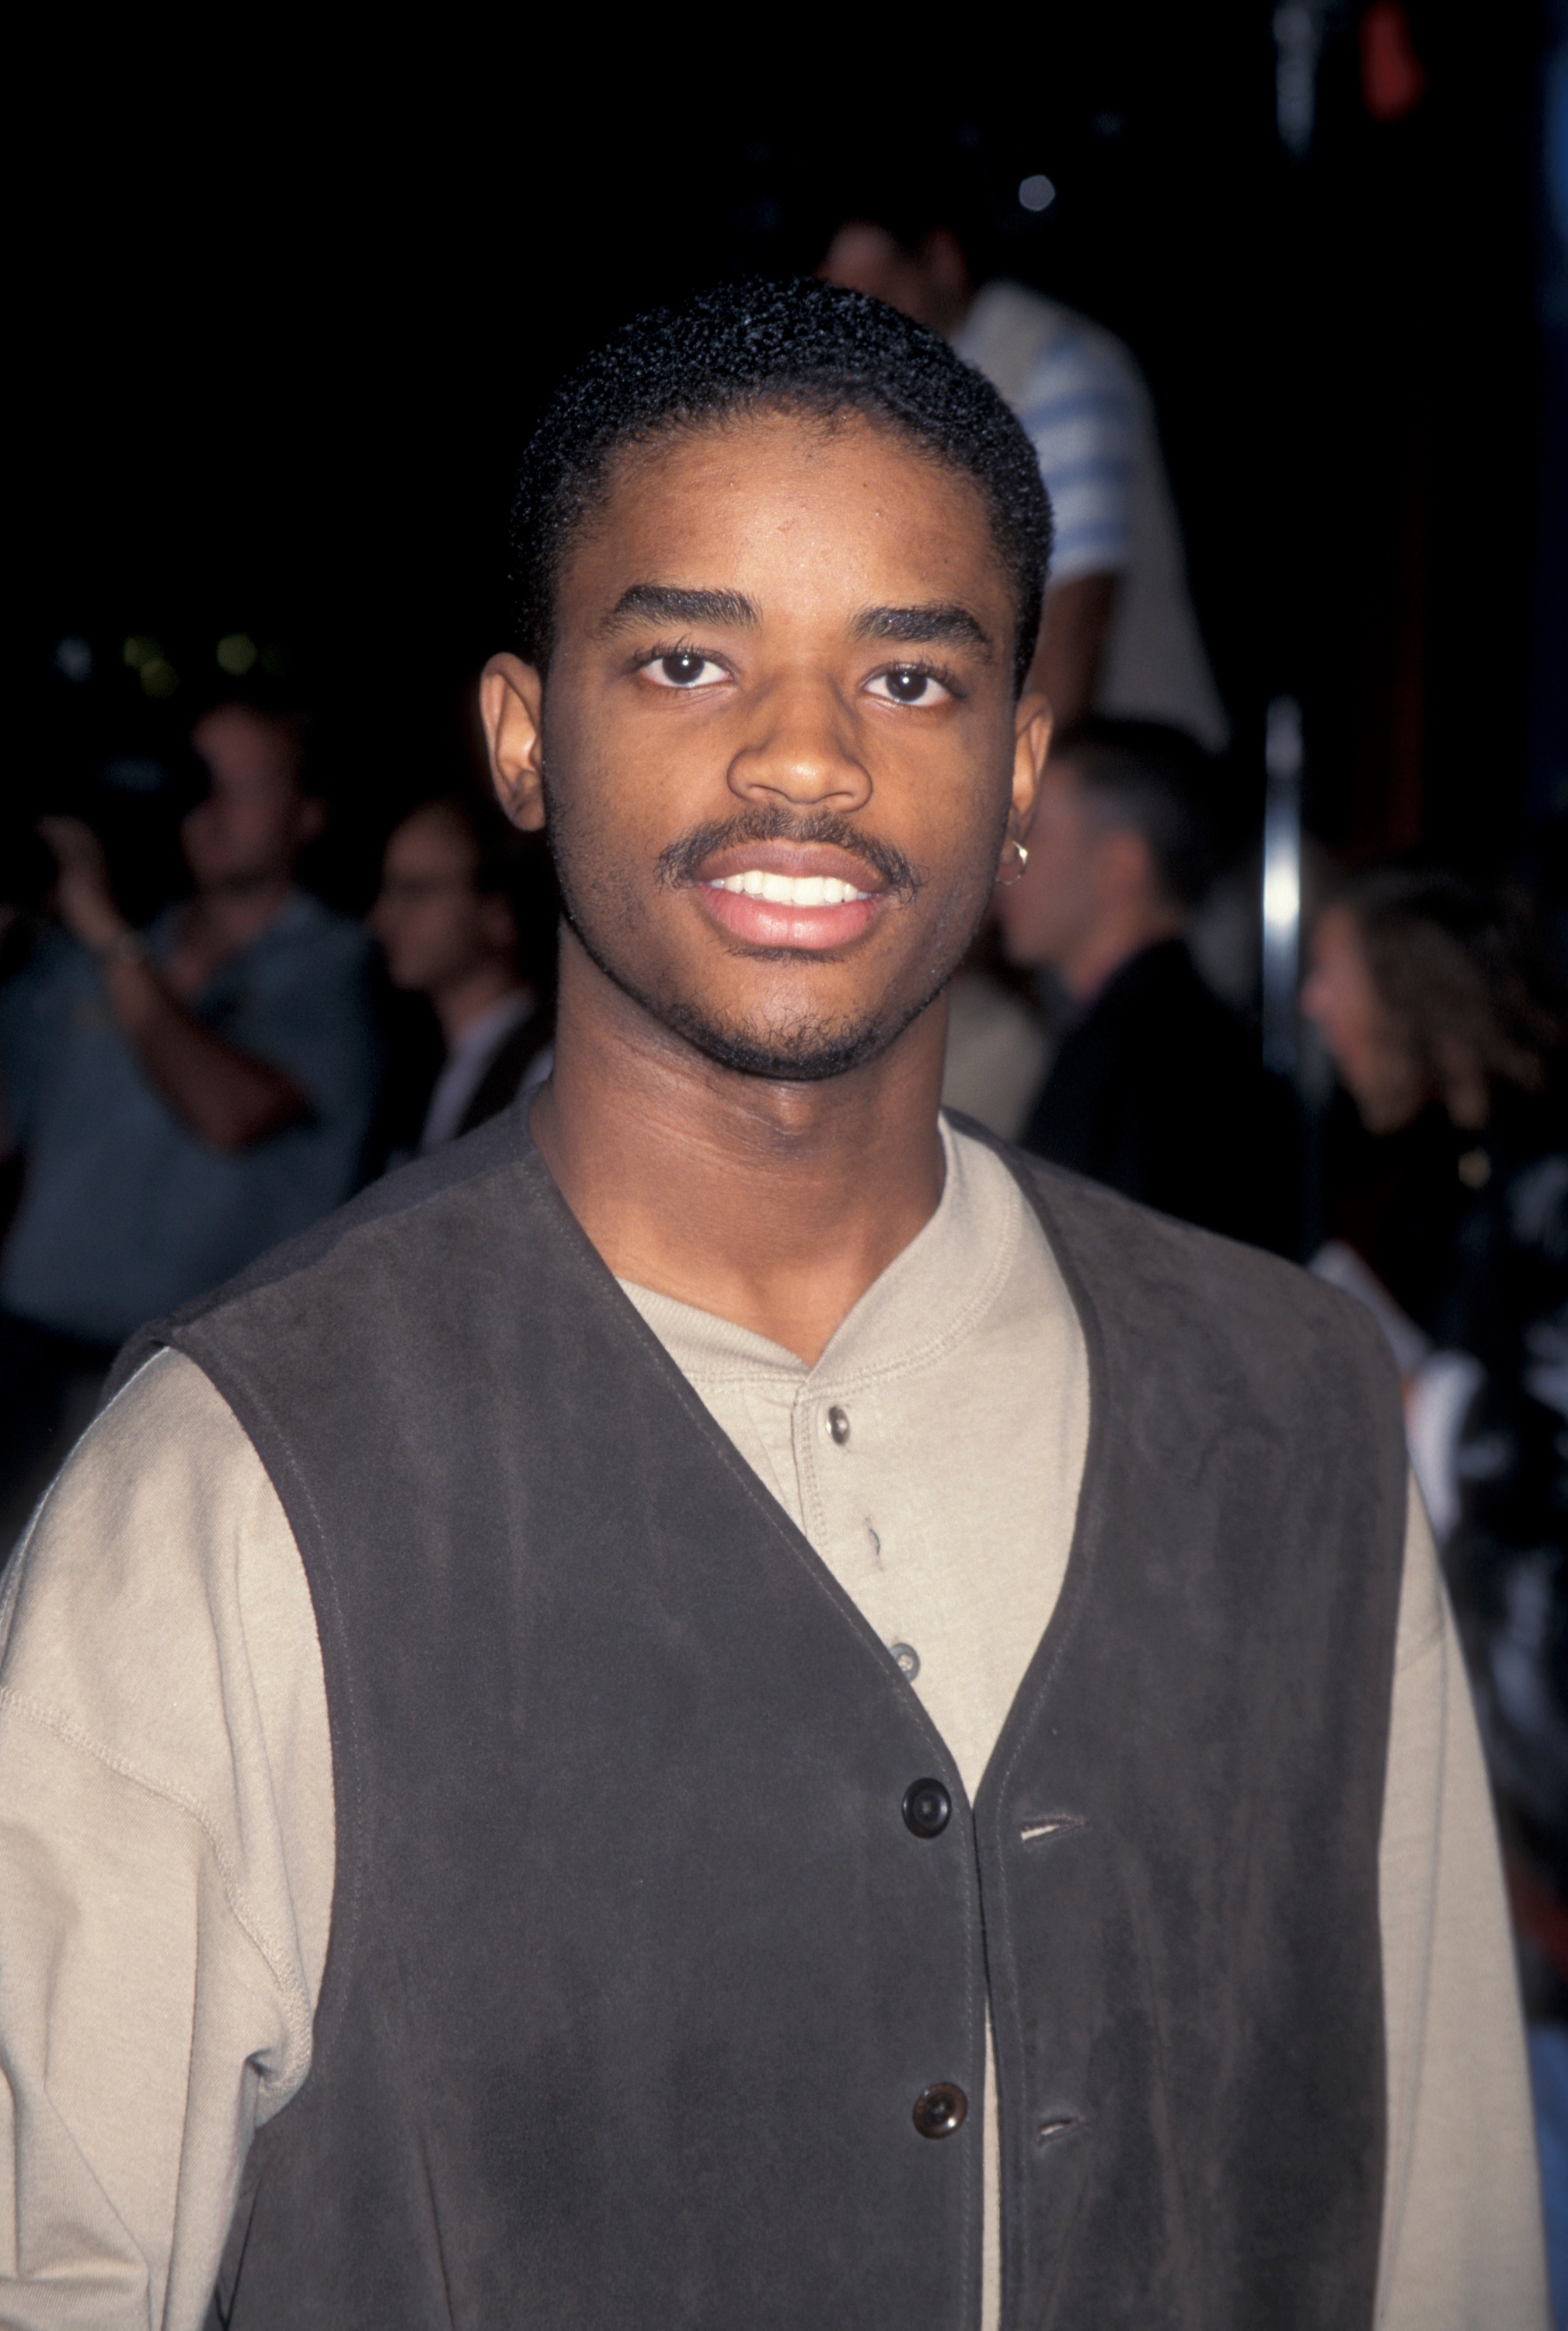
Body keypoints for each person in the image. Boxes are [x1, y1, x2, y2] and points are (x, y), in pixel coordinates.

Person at [0, 281, 1546, 2329]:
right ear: (525, 740)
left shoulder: (1295, 1412)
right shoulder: (239, 1473)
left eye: (908, 680)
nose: (804, 755)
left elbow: (1435, 2224)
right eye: (686, 656)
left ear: (1019, 766)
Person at [0, 698, 379, 1535]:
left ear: (306, 814)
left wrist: (105, 934)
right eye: (195, 780)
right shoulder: (91, 954)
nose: (209, 807)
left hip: (195, 1393)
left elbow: (226, 1113)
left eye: (243, 786)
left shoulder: (335, 968)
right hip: (23, 1363)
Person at [1303, 871, 1568, 1920]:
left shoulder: (1547, 1177)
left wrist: (1424, 1405)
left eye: (1331, 974)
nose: (1313, 1005)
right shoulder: (1459, 1174)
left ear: (1412, 987)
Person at [818, 206, 1228, 747]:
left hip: (1131, 774)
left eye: (884, 293)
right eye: (844, 307)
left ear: (942, 260)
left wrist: (1024, 800)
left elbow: (1077, 619)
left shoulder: (1053, 366)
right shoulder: (889, 399)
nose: (867, 328)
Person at [995, 716, 1302, 1253]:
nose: (1006, 861)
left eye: (1033, 834)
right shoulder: (1164, 1034)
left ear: (1118, 865)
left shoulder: (1157, 1056)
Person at [370, 794, 555, 1152]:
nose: (384, 917)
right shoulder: (415, 1073)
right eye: (389, 890)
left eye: (416, 891)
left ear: (498, 911)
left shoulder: (547, 1071)